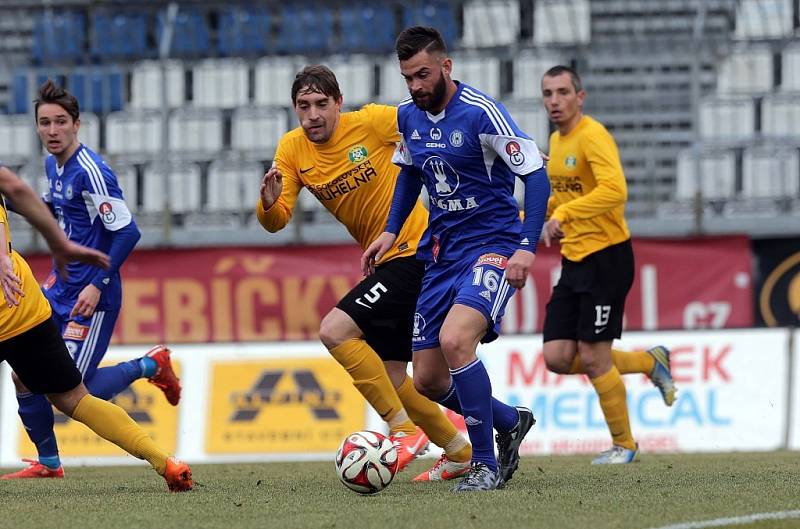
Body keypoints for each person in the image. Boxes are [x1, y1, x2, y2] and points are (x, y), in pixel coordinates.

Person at [256, 65, 472, 481]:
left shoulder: (371, 122)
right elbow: (277, 220)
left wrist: (499, 141)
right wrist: (267, 204)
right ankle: (458, 447)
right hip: (385, 259)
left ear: (339, 103)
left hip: (417, 250)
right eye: (304, 106)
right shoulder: (292, 149)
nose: (313, 114)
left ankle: (402, 427)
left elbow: (432, 120)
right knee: (393, 375)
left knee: (335, 330)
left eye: (322, 104)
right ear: (294, 108)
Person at [362, 26, 550, 492]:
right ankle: (509, 420)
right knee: (425, 379)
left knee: (455, 340)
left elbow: (536, 173)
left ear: (446, 66)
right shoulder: (409, 117)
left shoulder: (481, 113)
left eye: (423, 74)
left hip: (494, 245)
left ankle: (484, 463)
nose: (416, 86)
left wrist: (527, 247)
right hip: (442, 254)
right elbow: (408, 174)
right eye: (408, 78)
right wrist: (390, 230)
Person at [1, 80, 182, 480]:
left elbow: (128, 231)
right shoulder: (54, 166)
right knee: (26, 375)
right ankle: (49, 463)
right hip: (59, 286)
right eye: (44, 123)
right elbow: (55, 209)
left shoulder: (92, 171)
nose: (52, 130)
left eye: (60, 122)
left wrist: (97, 283)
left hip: (92, 293)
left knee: (74, 389)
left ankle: (149, 364)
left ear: (77, 124)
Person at [539, 65, 677, 464]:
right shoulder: (556, 140)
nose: (554, 101)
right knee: (557, 357)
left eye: (563, 92)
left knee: (596, 356)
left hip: (607, 258)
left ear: (580, 97)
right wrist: (533, 219)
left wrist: (564, 217)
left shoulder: (592, 136)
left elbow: (615, 191)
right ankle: (650, 361)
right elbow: (561, 198)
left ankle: (625, 445)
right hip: (575, 259)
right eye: (548, 93)